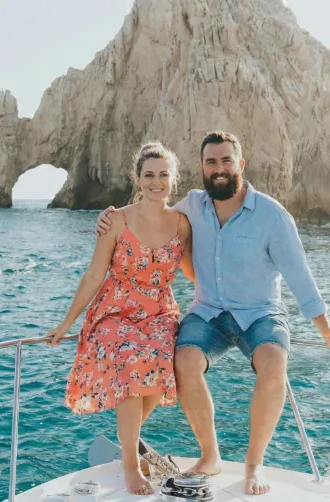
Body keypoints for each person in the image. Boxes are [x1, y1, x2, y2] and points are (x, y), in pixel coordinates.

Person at [96, 131, 330, 495]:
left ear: (240, 165)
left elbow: (300, 277)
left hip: (259, 312)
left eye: (226, 161)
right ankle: (210, 455)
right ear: (201, 168)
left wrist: (326, 332)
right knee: (183, 360)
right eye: (211, 162)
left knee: (273, 362)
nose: (219, 168)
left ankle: (253, 464)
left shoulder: (272, 216)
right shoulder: (193, 205)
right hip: (210, 312)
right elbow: (152, 211)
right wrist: (110, 218)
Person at [48, 142, 193, 495]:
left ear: (172, 180)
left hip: (159, 312)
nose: (155, 182)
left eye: (163, 175)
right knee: (130, 363)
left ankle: (127, 439)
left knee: (161, 367)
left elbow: (194, 273)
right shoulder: (115, 220)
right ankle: (131, 463)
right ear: (137, 178)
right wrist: (67, 322)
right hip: (114, 311)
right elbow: (94, 275)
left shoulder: (183, 225)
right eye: (149, 175)